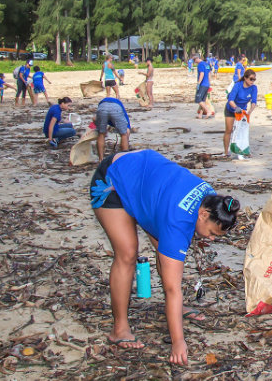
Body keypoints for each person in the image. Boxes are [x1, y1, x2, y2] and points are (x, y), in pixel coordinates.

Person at [89, 149, 240, 365]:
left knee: (166, 250)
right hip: (112, 179)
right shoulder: (177, 223)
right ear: (203, 215)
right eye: (213, 233)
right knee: (128, 253)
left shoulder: (213, 201)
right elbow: (172, 289)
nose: (212, 239)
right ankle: (119, 328)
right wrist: (178, 342)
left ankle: (174, 310)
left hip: (145, 181)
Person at [223, 69, 258, 160]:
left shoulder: (254, 88)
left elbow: (254, 101)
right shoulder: (238, 85)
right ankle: (226, 152)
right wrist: (236, 108)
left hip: (242, 111)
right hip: (231, 109)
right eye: (251, 79)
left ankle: (243, 150)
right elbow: (230, 100)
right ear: (245, 78)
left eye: (254, 79)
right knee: (229, 130)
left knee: (241, 131)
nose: (252, 81)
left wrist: (249, 111)